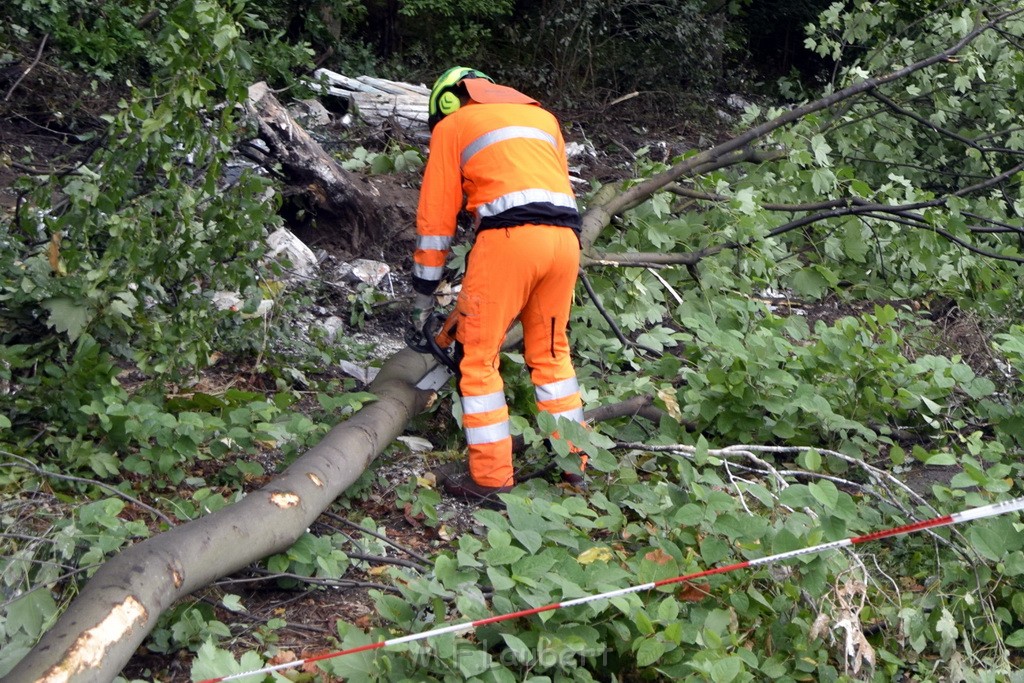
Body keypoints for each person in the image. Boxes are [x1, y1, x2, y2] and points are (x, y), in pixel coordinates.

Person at [408, 66, 587, 504]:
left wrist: (422, 297)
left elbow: (436, 223)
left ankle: (490, 479)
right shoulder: (544, 119)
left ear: (448, 100)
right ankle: (574, 465)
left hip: (508, 241)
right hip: (565, 244)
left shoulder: (453, 125)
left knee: (477, 356)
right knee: (550, 352)